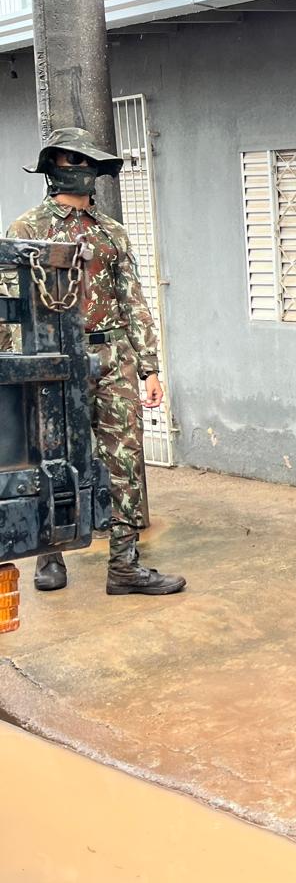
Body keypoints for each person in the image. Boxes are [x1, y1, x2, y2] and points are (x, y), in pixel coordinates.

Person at [5, 128, 184, 596]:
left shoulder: (111, 232)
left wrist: (150, 367)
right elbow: (9, 301)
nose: (81, 171)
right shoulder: (28, 229)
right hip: (53, 360)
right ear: (53, 168)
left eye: (88, 163)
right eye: (72, 162)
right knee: (54, 458)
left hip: (113, 355)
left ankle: (124, 564)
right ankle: (50, 553)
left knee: (124, 457)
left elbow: (134, 301)